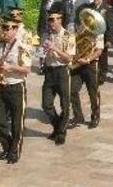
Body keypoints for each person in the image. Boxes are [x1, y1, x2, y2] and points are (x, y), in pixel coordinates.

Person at [0, 17, 31, 164]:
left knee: (16, 123)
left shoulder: (21, 47)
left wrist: (10, 67)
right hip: (1, 86)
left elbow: (27, 69)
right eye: (3, 28)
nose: (4, 31)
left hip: (16, 86)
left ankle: (14, 151)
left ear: (15, 30)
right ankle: (7, 146)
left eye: (7, 29)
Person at [41, 8, 75, 145]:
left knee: (65, 105)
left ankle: (61, 132)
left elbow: (69, 58)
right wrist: (43, 52)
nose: (51, 23)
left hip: (62, 71)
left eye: (53, 20)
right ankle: (57, 126)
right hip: (49, 71)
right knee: (46, 104)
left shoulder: (68, 36)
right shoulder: (48, 34)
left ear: (60, 20)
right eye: (49, 20)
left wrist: (54, 48)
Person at [69, 0, 105, 130]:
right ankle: (78, 116)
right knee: (72, 90)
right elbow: (71, 46)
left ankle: (95, 116)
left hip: (90, 64)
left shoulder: (98, 31)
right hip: (77, 64)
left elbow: (99, 50)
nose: (85, 21)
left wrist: (88, 59)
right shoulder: (76, 29)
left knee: (93, 92)